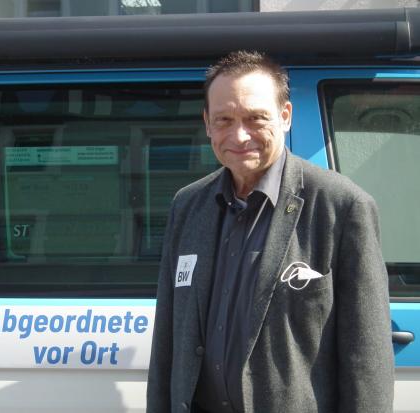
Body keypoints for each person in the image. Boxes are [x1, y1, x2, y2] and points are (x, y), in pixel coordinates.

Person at [146, 51, 394, 413]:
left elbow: (367, 360)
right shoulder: (187, 206)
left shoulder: (341, 207)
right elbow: (166, 343)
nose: (239, 135)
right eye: (224, 120)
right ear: (207, 123)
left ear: (285, 116)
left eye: (256, 118)